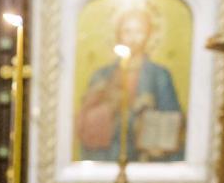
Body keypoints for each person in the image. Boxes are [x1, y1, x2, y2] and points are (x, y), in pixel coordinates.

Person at [75, 8, 184, 162]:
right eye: (127, 31)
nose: (133, 38)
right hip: (107, 155)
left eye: (139, 31)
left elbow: (172, 120)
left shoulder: (160, 75)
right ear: (118, 34)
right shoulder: (103, 75)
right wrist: (110, 105)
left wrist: (147, 111)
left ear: (149, 35)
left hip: (146, 158)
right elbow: (85, 121)